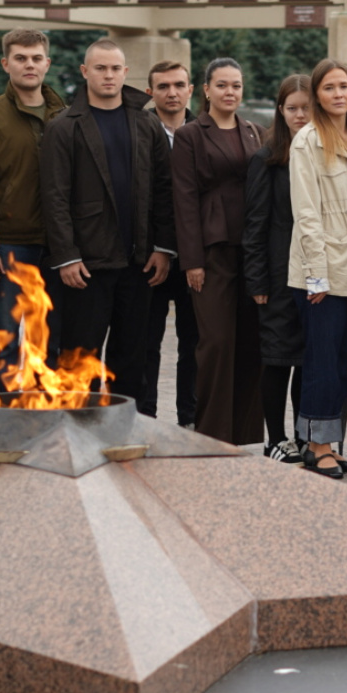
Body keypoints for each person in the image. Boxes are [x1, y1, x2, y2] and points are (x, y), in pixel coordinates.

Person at [40, 38, 175, 403]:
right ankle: (77, 430)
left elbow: (164, 190)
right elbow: (54, 197)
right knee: (79, 360)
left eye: (115, 68)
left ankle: (123, 430)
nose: (109, 75)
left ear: (126, 72)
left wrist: (163, 248)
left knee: (131, 361)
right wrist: (67, 256)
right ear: (85, 72)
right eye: (100, 68)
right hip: (86, 266)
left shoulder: (147, 124)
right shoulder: (63, 127)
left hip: (139, 264)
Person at [286, 59, 347, 478]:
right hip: (322, 273)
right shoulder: (306, 141)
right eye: (329, 88)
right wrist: (316, 275)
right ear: (317, 97)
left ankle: (329, 444)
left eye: (344, 86)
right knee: (320, 363)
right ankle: (317, 445)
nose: (339, 94)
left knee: (343, 363)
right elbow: (306, 213)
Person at [172, 57, 265, 445]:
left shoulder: (255, 132)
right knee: (216, 343)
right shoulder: (190, 135)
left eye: (236, 85)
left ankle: (243, 434)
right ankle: (211, 432)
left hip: (252, 250)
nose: (230, 92)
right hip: (211, 253)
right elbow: (184, 199)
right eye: (222, 85)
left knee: (249, 341)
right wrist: (191, 260)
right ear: (207, 90)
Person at [0, 28, 67, 376]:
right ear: (5, 63)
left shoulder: (66, 116)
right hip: (8, 246)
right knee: (4, 338)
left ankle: (47, 406)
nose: (30, 65)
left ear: (47, 63)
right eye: (21, 58)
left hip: (59, 247)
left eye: (36, 58)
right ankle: (4, 408)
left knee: (51, 340)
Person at [243, 75, 312, 461]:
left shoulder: (324, 153)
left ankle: (305, 439)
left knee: (306, 361)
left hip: (316, 276)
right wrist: (257, 280)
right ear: (280, 111)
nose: (300, 115)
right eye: (292, 108)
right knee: (277, 359)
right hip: (277, 275)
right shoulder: (266, 158)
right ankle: (276, 440)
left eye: (306, 108)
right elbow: (255, 224)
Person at [139, 60, 199, 427]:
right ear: (150, 92)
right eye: (163, 86)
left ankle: (190, 419)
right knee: (146, 342)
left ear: (191, 90)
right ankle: (144, 418)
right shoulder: (137, 130)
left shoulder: (205, 131)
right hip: (150, 256)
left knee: (194, 343)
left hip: (195, 257)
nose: (172, 93)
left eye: (179, 85)